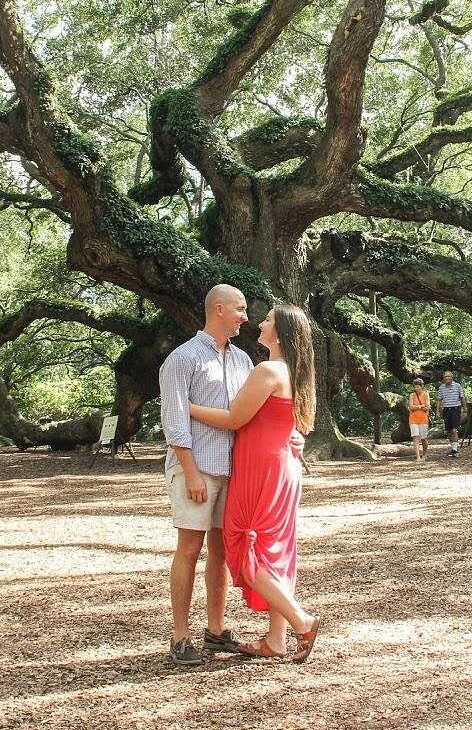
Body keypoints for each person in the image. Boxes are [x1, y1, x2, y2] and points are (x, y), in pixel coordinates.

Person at [189, 304, 321, 663]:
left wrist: (186, 407)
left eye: (267, 320)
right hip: (283, 467)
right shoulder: (297, 373)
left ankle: (300, 620)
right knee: (274, 554)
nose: (259, 323)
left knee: (242, 547)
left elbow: (234, 418)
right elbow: (294, 426)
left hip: (261, 470)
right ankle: (275, 640)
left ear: (278, 333)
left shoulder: (268, 370)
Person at [159, 284, 254, 666]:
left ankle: (216, 630)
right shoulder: (182, 359)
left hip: (232, 470)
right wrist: (191, 472)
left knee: (221, 552)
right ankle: (180, 635)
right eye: (240, 309)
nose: (245, 317)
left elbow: (249, 416)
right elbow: (175, 420)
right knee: (189, 548)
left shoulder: (243, 361)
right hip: (195, 469)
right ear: (218, 309)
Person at [435, 371, 466, 458]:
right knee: (448, 431)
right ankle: (453, 449)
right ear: (443, 378)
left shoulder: (457, 386)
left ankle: (455, 450)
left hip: (456, 408)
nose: (447, 378)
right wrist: (438, 411)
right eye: (445, 376)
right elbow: (439, 400)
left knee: (454, 430)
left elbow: (462, 397)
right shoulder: (441, 387)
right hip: (446, 409)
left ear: (452, 377)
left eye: (448, 376)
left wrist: (465, 409)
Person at [407, 378, 431, 462]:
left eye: (418, 387)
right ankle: (418, 457)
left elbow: (427, 407)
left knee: (423, 438)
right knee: (415, 437)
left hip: (423, 419)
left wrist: (416, 406)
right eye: (415, 387)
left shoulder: (426, 394)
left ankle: (425, 454)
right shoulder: (412, 395)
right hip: (413, 419)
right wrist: (421, 406)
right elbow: (411, 407)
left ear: (422, 386)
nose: (416, 388)